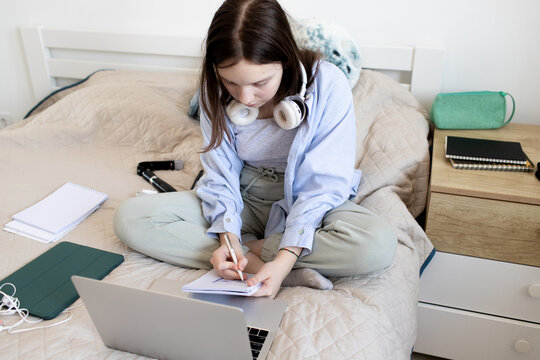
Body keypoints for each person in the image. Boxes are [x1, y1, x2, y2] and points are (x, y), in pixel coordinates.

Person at [114, 0, 397, 299]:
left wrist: (285, 254)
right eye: (231, 83)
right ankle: (260, 266)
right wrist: (228, 236)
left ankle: (266, 261)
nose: (245, 97)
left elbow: (323, 186)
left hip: (307, 196)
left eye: (260, 83)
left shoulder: (328, 83)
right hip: (244, 192)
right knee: (131, 218)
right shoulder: (215, 89)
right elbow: (220, 173)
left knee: (377, 245)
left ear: (285, 60)